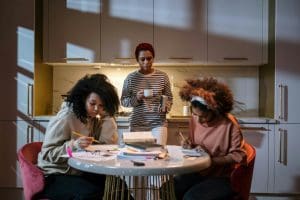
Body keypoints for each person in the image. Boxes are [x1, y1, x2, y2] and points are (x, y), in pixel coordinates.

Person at [37, 73, 120, 200]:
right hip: (55, 175)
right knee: (92, 193)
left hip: (77, 171)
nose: (96, 109)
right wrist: (73, 145)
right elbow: (47, 153)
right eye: (92, 103)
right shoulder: (66, 117)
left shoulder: (90, 116)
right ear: (83, 98)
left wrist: (107, 115)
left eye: (102, 105)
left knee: (117, 185)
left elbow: (102, 143)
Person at [174, 77, 247, 200]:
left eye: (203, 116)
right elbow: (196, 145)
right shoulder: (195, 119)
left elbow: (239, 156)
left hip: (222, 178)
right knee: (169, 188)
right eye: (195, 115)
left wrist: (211, 161)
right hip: (199, 172)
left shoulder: (229, 124)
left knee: (191, 198)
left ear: (215, 110)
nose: (199, 120)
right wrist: (188, 145)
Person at [121, 42, 173, 145]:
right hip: (137, 125)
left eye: (149, 59)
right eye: (142, 59)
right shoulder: (131, 78)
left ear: (153, 58)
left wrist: (166, 106)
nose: (146, 62)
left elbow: (169, 98)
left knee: (158, 155)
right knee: (137, 156)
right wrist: (137, 98)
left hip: (158, 125)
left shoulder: (162, 76)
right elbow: (123, 101)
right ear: (137, 60)